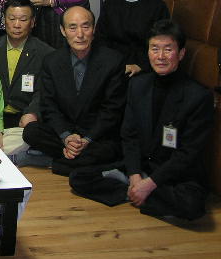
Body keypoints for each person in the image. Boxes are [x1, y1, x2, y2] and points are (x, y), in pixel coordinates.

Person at [70, 20, 214, 220]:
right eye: (154, 49)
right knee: (78, 178)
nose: (160, 56)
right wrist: (135, 175)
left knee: (191, 206)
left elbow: (187, 154)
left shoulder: (198, 96)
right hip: (142, 167)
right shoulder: (138, 85)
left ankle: (137, 194)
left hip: (175, 175)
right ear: (148, 52)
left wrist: (151, 183)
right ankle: (139, 192)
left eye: (168, 49)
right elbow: (129, 136)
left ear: (181, 54)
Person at [21, 6, 126, 176]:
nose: (80, 34)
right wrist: (66, 137)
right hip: (65, 131)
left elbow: (112, 110)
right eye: (72, 27)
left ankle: (56, 163)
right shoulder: (51, 61)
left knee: (111, 149)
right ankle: (80, 163)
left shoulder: (112, 60)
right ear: (63, 31)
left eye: (85, 26)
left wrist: (87, 139)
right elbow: (48, 105)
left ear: (94, 29)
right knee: (31, 132)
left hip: (96, 135)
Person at [95, 0, 170, 76]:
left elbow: (162, 44)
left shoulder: (158, 7)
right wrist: (111, 63)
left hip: (144, 67)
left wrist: (141, 66)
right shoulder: (109, 4)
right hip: (112, 64)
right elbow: (100, 39)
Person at [0, 0, 54, 129]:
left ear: (33, 22)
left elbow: (44, 91)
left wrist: (33, 113)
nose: (17, 25)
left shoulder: (46, 53)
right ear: (4, 20)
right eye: (12, 19)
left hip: (25, 118)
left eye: (23, 20)